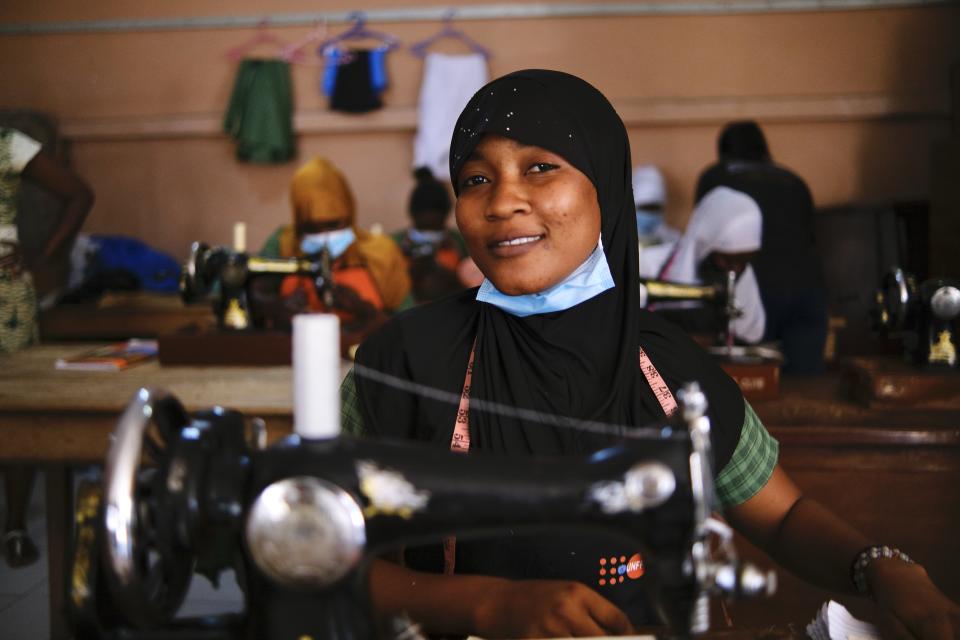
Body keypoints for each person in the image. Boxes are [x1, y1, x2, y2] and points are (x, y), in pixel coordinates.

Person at [341, 71, 959, 638]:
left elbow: (785, 514)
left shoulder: (667, 367)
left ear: (605, 187)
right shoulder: (401, 364)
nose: (502, 202)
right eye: (477, 179)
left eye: (540, 168)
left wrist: (885, 571)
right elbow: (308, 554)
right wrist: (486, 605)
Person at [1, 126, 94, 567]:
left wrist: (45, 257)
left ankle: (15, 525)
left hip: (5, 299)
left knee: (17, 406)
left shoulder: (6, 143)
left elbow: (79, 194)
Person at [695, 120, 828, 373]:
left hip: (750, 292)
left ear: (723, 153)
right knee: (804, 386)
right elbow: (810, 239)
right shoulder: (795, 181)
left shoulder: (716, 177)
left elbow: (704, 240)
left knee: (747, 386)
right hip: (807, 293)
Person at [259, 156, 411, 342]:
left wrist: (363, 309)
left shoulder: (381, 253)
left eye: (333, 224)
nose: (323, 236)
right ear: (298, 224)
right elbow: (257, 295)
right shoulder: (282, 244)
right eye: (311, 228)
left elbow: (410, 326)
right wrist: (276, 308)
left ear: (349, 214)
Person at [639, 185, 765, 345]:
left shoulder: (744, 279)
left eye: (745, 261)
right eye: (726, 259)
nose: (737, 269)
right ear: (703, 247)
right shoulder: (648, 264)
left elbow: (748, 335)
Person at [391, 167, 470, 304]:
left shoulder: (460, 241)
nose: (430, 225)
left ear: (445, 215)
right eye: (424, 221)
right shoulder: (394, 243)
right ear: (413, 214)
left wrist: (451, 277)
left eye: (436, 223)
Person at [631, 164, 678, 247]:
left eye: (654, 208)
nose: (649, 213)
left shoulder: (675, 242)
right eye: (644, 208)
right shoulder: (620, 242)